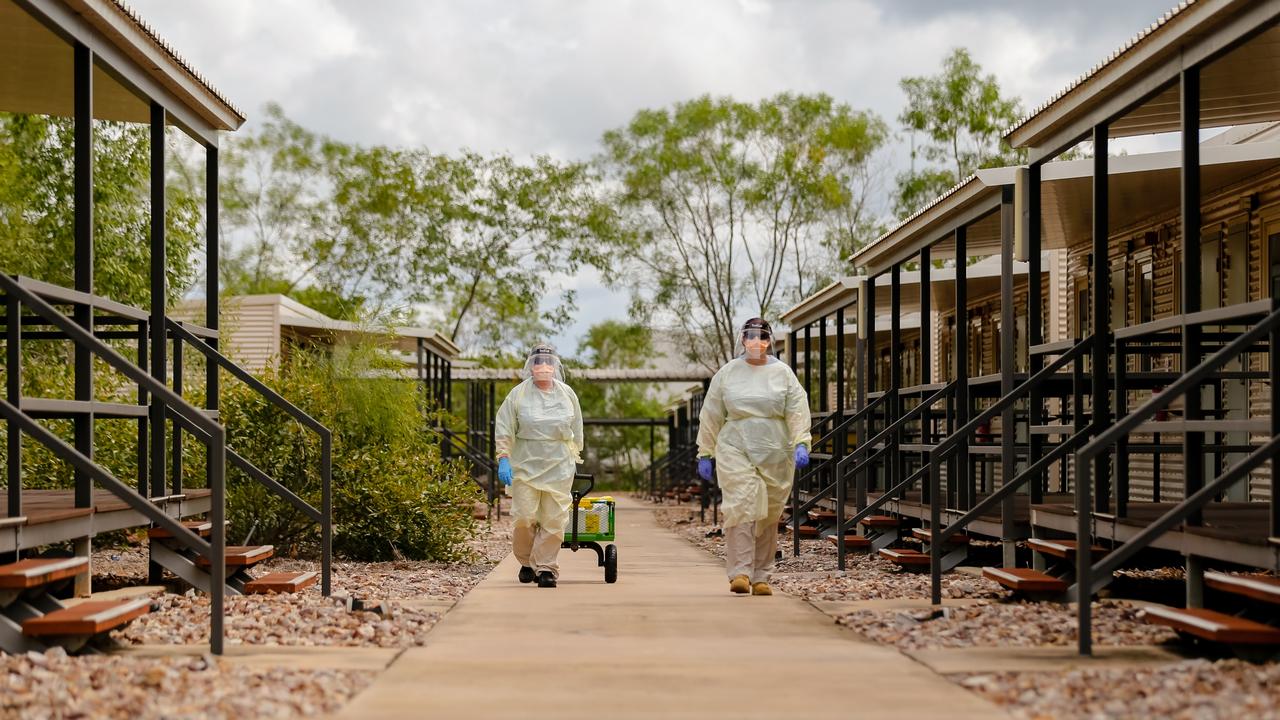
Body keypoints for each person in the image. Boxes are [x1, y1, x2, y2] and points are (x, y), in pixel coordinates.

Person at [696, 318, 810, 596]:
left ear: (769, 340)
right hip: (736, 446)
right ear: (742, 339)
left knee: (768, 514)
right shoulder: (728, 373)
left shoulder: (783, 374)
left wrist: (802, 442)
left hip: (775, 450)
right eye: (751, 336)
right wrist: (705, 451)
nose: (756, 342)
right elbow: (711, 413)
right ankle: (741, 573)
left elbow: (796, 408)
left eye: (761, 336)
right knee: (742, 506)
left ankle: (762, 576)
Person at [495, 344, 585, 588]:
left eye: (548, 362)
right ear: (531, 366)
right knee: (525, 516)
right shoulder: (518, 395)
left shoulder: (567, 394)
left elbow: (577, 429)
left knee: (554, 518)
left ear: (555, 366)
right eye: (538, 362)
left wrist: (575, 454)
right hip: (525, 462)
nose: (543, 367)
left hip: (559, 464)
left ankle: (546, 568)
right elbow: (504, 426)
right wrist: (503, 457)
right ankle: (526, 561)